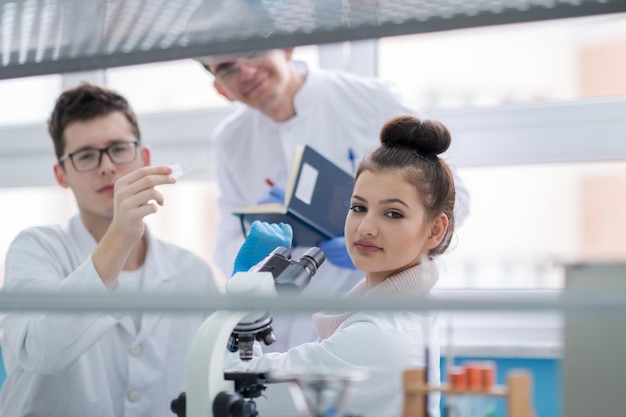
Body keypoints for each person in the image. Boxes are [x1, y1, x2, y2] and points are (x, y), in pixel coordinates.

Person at [197, 48, 470, 352]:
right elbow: (228, 236)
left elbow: (453, 199)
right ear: (221, 90)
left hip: (368, 309)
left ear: (286, 48)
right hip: (279, 328)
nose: (246, 72)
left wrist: (371, 231)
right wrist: (254, 261)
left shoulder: (369, 99)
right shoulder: (230, 139)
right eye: (227, 68)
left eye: (254, 52)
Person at [0, 82, 220, 417]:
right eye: (86, 155)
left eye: (118, 149)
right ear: (62, 175)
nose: (106, 166)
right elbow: (42, 352)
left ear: (143, 158)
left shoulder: (192, 273)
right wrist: (119, 236)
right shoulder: (36, 249)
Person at [225, 114, 454, 417]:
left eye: (393, 214)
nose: (366, 228)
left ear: (435, 230)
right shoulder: (405, 311)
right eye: (358, 208)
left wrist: (241, 294)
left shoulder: (377, 334)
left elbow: (235, 383)